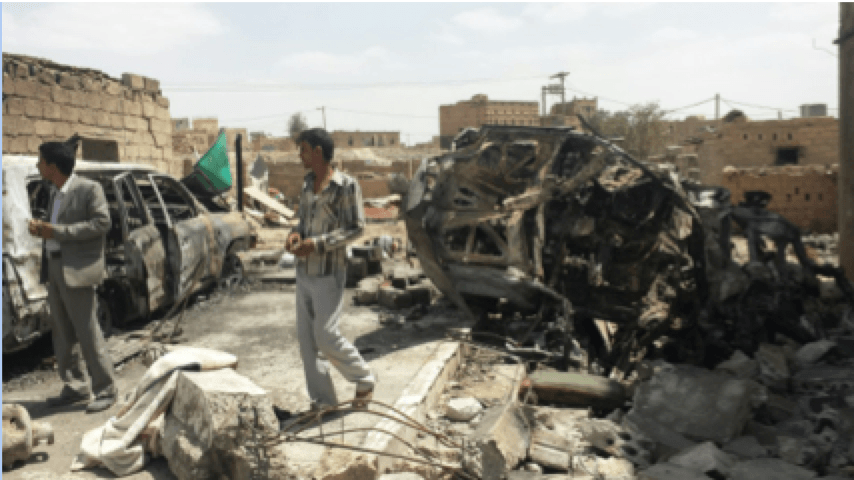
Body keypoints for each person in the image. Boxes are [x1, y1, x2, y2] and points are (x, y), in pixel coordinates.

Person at [286, 128, 376, 410]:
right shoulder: (306, 184)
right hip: (304, 272)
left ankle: (364, 379)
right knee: (307, 343)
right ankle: (323, 402)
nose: (299, 155)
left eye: (303, 149)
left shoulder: (346, 186)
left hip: (329, 273)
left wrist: (318, 244)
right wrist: (295, 236)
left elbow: (357, 228)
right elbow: (302, 222)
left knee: (325, 336)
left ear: (317, 152)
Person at [29, 138, 118, 413]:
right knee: (62, 333)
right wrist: (41, 230)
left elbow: (102, 223)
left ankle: (106, 389)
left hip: (77, 269)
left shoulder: (89, 189)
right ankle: (75, 386)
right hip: (55, 268)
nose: (37, 165)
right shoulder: (54, 191)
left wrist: (56, 232)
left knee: (87, 331)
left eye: (41, 161)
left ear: (53, 167)